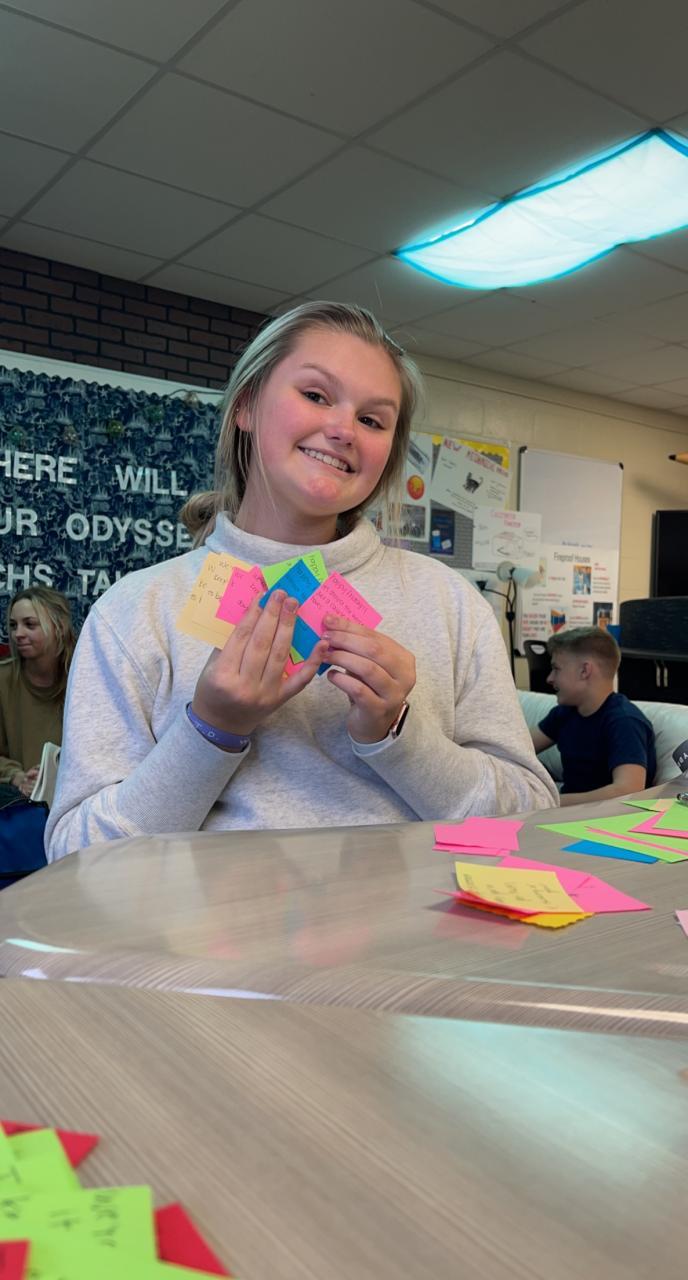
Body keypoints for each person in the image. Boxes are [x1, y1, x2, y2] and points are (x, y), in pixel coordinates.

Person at [46, 302, 558, 861]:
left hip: (423, 917)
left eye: (373, 420)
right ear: (246, 406)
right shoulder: (135, 610)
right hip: (211, 920)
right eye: (315, 395)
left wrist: (398, 733)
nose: (343, 430)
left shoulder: (451, 602)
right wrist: (212, 728)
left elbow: (529, 817)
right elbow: (76, 857)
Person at [530, 626, 656, 806]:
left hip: (605, 818)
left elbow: (628, 790)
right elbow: (517, 749)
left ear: (585, 671)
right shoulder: (564, 713)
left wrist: (551, 802)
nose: (549, 678)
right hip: (565, 813)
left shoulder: (624, 721)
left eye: (556, 669)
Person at [0, 587, 76, 797]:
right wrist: (16, 776)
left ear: (59, 627)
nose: (18, 634)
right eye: (13, 625)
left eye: (30, 624)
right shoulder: (3, 679)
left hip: (74, 798)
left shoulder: (84, 677)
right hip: (16, 801)